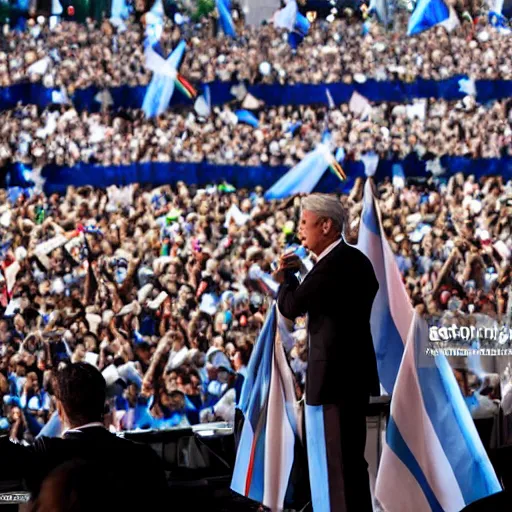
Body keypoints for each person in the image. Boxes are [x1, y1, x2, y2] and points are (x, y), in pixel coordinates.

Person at [273, 193, 379, 512]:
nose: (300, 230)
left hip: (333, 382)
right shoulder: (357, 261)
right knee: (352, 464)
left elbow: (291, 306)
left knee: (338, 466)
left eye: (304, 223)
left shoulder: (330, 266)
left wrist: (285, 277)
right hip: (355, 379)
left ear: (327, 225)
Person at [0, 362, 168, 511]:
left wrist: (23, 498)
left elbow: (9, 495)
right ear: (105, 405)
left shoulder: (45, 454)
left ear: (59, 409)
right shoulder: (145, 457)